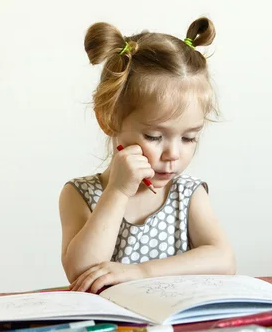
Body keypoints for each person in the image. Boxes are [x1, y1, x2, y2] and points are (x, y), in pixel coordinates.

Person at [59, 17, 236, 293]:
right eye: (154, 137)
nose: (173, 154)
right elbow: (80, 272)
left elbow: (224, 259)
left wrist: (140, 272)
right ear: (108, 119)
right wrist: (117, 191)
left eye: (189, 137)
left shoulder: (186, 194)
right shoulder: (80, 194)